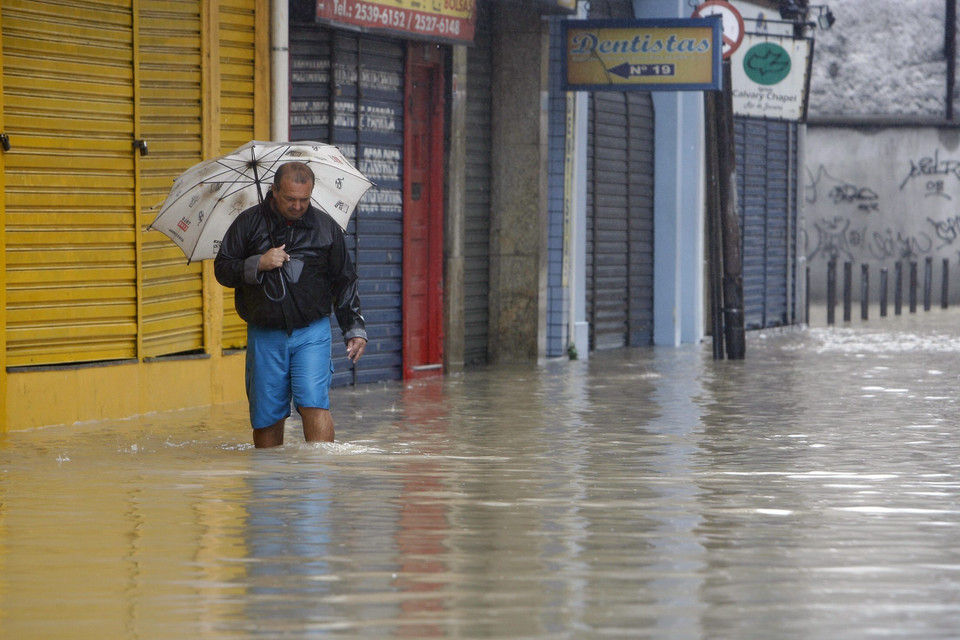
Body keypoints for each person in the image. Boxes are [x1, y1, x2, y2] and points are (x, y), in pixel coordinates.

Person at [214, 161, 367, 448]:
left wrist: (354, 328)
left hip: (311, 331)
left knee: (314, 402)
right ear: (274, 191)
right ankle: (270, 487)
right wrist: (258, 262)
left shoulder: (325, 228)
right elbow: (222, 269)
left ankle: (318, 482)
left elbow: (344, 279)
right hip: (265, 332)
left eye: (304, 200)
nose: (298, 206)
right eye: (290, 199)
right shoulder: (247, 223)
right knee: (267, 417)